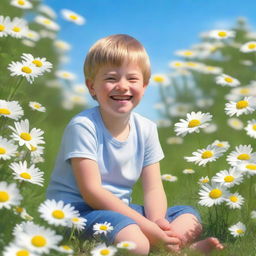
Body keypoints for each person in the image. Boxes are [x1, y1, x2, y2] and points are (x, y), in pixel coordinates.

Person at [47, 34, 223, 255]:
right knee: (136, 245)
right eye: (111, 78)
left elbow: (153, 187)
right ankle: (176, 248)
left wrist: (157, 222)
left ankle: (170, 245)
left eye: (132, 79)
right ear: (91, 86)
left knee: (188, 216)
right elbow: (92, 192)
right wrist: (148, 228)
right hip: (79, 213)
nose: (122, 86)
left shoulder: (147, 128)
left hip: (120, 211)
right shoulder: (83, 126)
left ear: (145, 86)